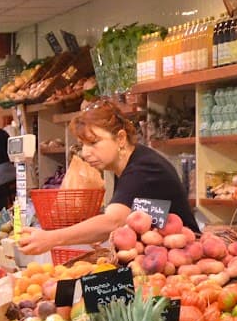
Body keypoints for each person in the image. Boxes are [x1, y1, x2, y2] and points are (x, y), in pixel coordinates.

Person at [17, 101, 199, 255]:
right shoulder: (128, 165)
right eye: (82, 144)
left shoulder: (144, 168)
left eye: (93, 143)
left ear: (120, 138)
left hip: (187, 257)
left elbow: (113, 221)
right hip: (160, 257)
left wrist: (51, 238)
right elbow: (127, 219)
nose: (85, 153)